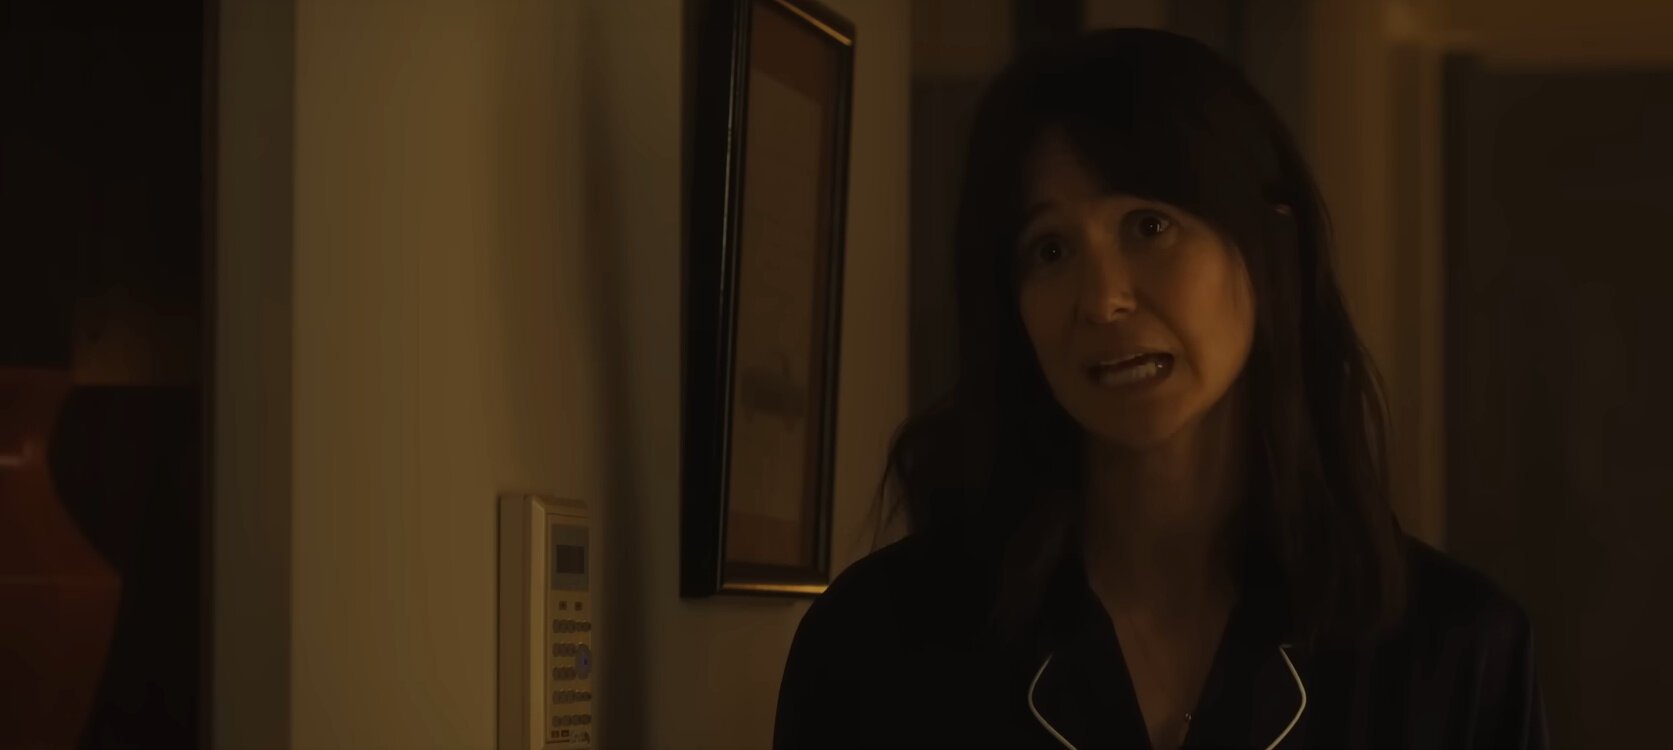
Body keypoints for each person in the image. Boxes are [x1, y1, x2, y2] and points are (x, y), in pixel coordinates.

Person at [772, 28, 1546, 750]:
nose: (1102, 299)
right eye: (1050, 249)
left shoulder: (1453, 654)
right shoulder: (878, 644)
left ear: (1270, 248)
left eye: (1147, 226)